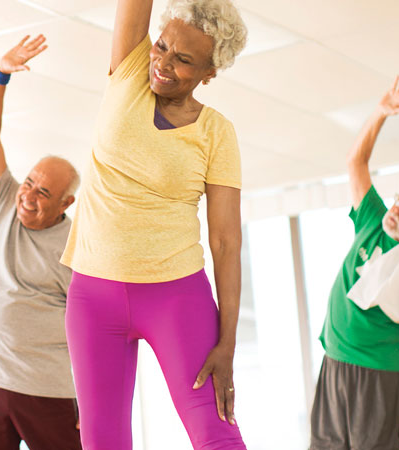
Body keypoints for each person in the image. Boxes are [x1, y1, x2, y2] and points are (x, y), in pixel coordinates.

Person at [60, 0, 248, 447]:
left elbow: (225, 242)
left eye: (183, 60)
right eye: (162, 46)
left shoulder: (217, 133)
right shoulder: (127, 74)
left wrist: (228, 344)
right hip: (92, 296)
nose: (163, 63)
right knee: (101, 442)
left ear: (209, 72)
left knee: (216, 433)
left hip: (176, 295)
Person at [0, 34, 82, 450]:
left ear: (66, 202)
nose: (29, 196)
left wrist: (94, 402)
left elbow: (95, 329)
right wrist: (0, 74)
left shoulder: (79, 248)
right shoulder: (4, 201)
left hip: (46, 386)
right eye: (30, 183)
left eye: (44, 193)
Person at [310, 76, 399, 450]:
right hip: (334, 363)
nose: (398, 209)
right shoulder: (372, 219)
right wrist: (380, 112)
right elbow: (356, 161)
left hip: (376, 375)